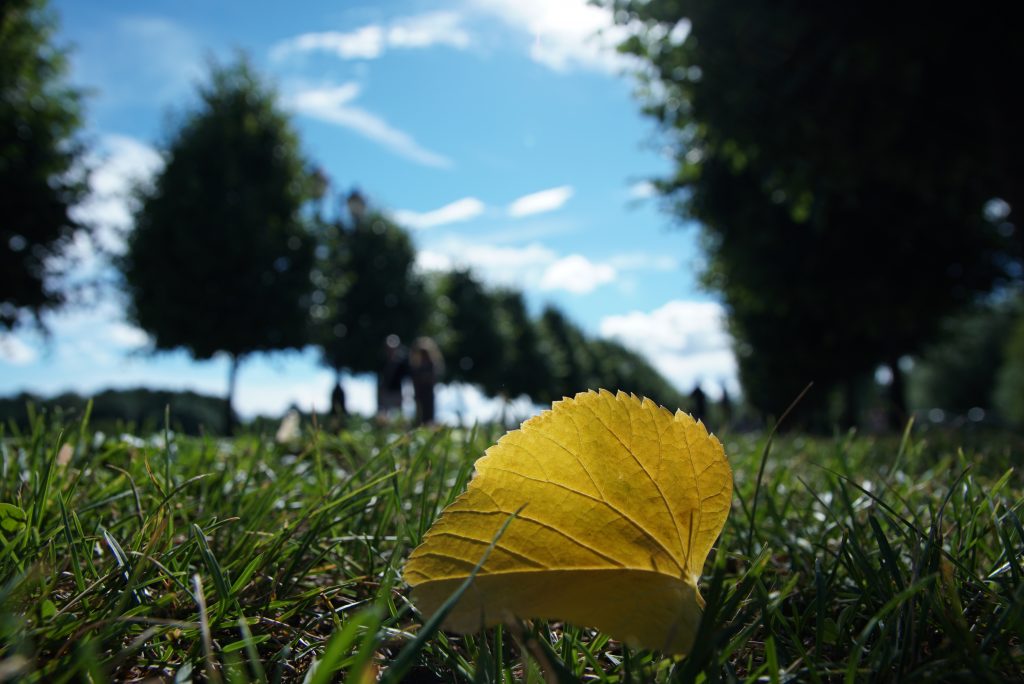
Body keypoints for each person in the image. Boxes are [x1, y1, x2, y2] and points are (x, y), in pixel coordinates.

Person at [410, 336, 444, 426]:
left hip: (428, 394)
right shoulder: (416, 365)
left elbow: (433, 378)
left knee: (428, 418)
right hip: (419, 394)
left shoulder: (432, 365)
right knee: (419, 418)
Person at [377, 335, 409, 421]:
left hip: (397, 392)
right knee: (384, 415)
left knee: (398, 415)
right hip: (385, 392)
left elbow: (405, 379)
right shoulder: (383, 361)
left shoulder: (402, 362)